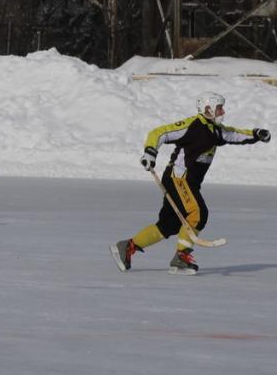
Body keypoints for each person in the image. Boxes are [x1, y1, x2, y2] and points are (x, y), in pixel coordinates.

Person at [111, 92, 269, 275]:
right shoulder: (193, 125)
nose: (223, 111)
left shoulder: (216, 130)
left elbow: (233, 134)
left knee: (168, 225)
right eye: (219, 108)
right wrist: (150, 152)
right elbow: (159, 132)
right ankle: (181, 257)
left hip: (189, 182)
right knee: (198, 213)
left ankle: (126, 247)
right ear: (207, 109)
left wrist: (256, 134)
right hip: (179, 178)